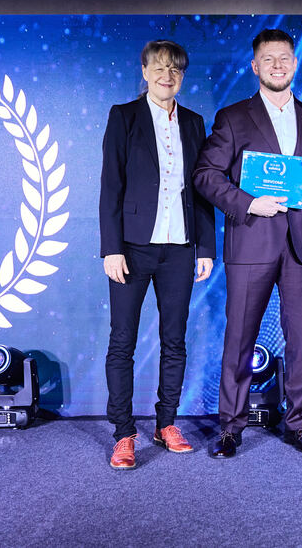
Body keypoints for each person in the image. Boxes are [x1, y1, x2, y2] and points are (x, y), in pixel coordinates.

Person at [193, 28, 302, 458]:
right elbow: (205, 176)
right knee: (240, 339)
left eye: (284, 58)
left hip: (301, 245)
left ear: (295, 63)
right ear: (255, 66)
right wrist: (249, 203)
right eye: (268, 59)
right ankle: (230, 428)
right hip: (251, 240)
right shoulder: (233, 117)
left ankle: (299, 425)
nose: (277, 65)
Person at [99, 39, 216, 470]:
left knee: (174, 341)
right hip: (132, 248)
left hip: (180, 248)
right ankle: (123, 433)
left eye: (175, 70)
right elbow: (110, 186)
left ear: (182, 76)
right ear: (145, 72)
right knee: (122, 342)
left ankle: (166, 423)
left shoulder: (194, 122)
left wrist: (206, 246)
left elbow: (201, 189)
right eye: (160, 68)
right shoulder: (124, 116)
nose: (168, 76)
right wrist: (111, 248)